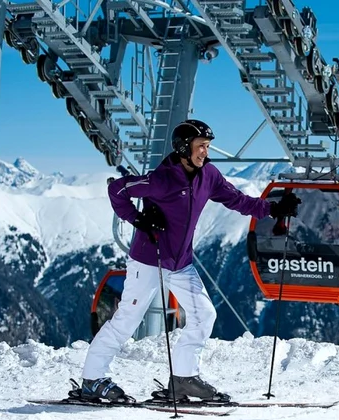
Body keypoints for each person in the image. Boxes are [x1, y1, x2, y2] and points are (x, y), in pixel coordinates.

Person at [80, 119, 301, 402]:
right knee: (127, 320)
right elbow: (118, 190)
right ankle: (93, 379)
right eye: (200, 147)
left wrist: (272, 208)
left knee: (204, 314)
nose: (205, 153)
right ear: (184, 147)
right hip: (149, 260)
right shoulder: (161, 179)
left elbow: (236, 199)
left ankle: (183, 378)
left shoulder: (208, 175)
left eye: (207, 147)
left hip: (181, 262)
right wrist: (138, 219)